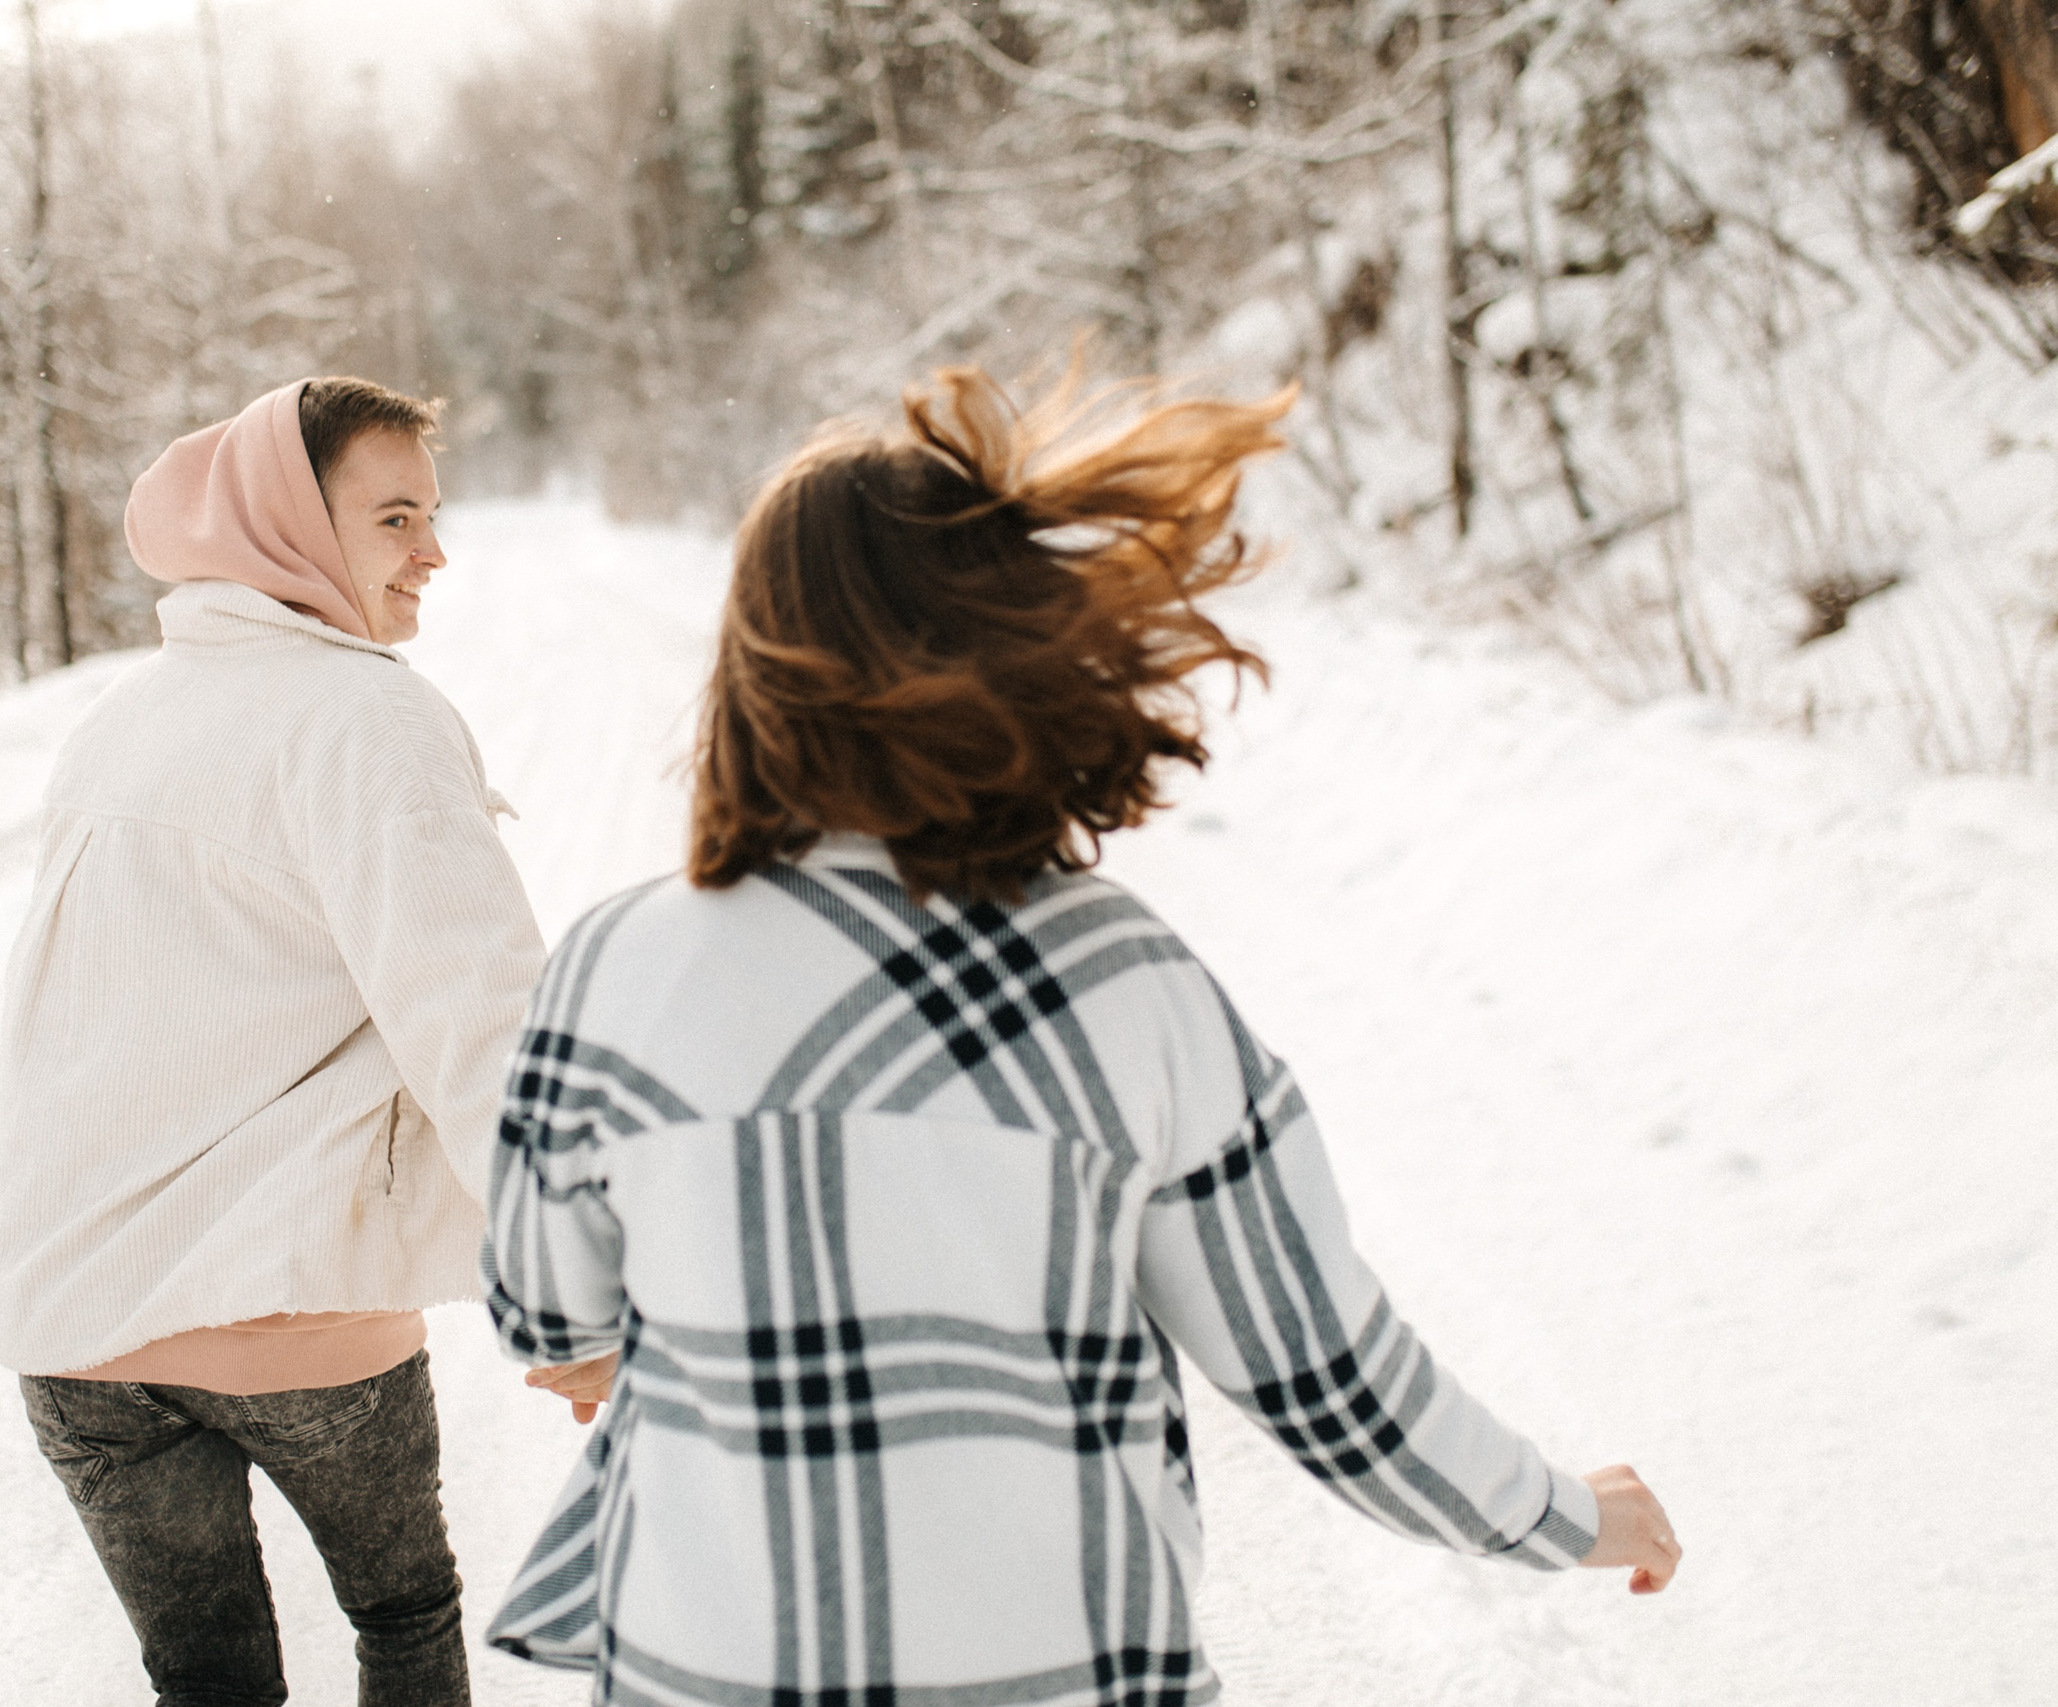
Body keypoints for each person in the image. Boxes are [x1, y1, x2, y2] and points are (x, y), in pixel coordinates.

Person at [479, 365, 1680, 1704]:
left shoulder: (618, 966)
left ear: (753, 670)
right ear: (1009, 645)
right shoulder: (1127, 981)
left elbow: (546, 1312)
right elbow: (1327, 1383)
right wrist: (1566, 1515)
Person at [0, 377, 551, 1707]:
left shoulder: (121, 719)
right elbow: (481, 1021)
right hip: (288, 1303)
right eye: (395, 517)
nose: (433, 551)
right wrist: (569, 1275)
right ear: (289, 523)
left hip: (77, 1326)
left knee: (207, 1683)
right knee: (403, 1617)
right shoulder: (368, 715)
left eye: (431, 514)